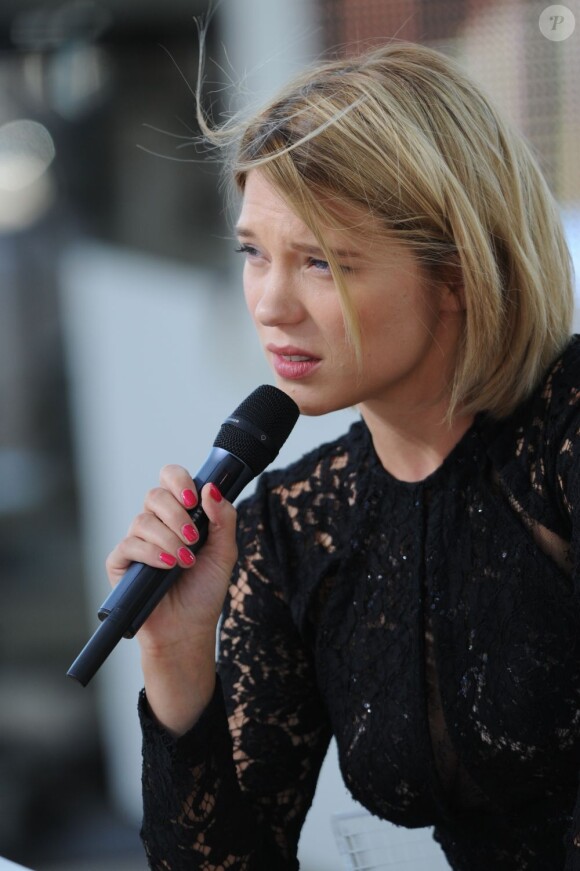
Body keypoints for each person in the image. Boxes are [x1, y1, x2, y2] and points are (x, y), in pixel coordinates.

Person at [105, 39, 580, 871]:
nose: (271, 303)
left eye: (323, 261)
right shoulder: (291, 528)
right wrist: (178, 661)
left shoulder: (565, 431)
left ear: (457, 268)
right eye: (254, 252)